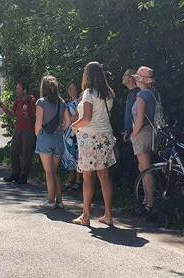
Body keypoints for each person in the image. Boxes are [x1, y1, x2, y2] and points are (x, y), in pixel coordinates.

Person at [71, 62, 116, 226]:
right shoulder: (108, 93)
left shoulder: (89, 93)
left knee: (88, 176)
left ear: (87, 75)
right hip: (105, 137)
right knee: (104, 176)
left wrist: (73, 126)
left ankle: (86, 216)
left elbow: (87, 118)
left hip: (90, 138)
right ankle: (108, 215)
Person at [35, 76, 70, 209]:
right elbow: (68, 122)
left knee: (48, 171)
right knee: (55, 171)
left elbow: (38, 123)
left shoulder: (41, 102)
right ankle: (59, 201)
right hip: (58, 138)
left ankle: (50, 200)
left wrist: (37, 134)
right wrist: (60, 129)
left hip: (45, 137)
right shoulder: (62, 102)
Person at [130, 66, 157, 220]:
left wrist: (133, 134)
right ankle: (147, 201)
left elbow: (139, 119)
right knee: (144, 167)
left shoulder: (142, 96)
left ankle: (149, 204)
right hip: (149, 133)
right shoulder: (152, 94)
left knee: (146, 169)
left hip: (142, 134)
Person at [0, 82, 37, 185]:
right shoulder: (17, 102)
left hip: (29, 131)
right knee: (14, 152)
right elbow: (13, 115)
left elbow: (37, 114)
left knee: (26, 154)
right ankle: (15, 174)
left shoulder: (31, 100)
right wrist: (4, 109)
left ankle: (24, 176)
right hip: (18, 130)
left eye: (18, 89)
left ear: (24, 90)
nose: (16, 90)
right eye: (16, 88)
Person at [121, 68, 140, 193]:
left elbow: (137, 115)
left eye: (125, 75)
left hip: (136, 133)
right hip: (129, 132)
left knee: (137, 163)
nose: (122, 77)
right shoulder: (129, 93)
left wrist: (132, 131)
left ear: (131, 77)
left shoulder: (138, 93)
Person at [62, 83, 83, 190]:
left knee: (78, 156)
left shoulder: (81, 102)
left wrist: (69, 118)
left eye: (73, 88)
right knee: (69, 156)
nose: (70, 90)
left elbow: (74, 118)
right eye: (69, 88)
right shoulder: (69, 103)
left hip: (77, 132)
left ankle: (78, 180)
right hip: (68, 134)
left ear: (77, 89)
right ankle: (71, 179)